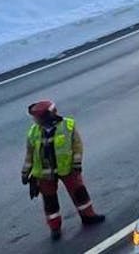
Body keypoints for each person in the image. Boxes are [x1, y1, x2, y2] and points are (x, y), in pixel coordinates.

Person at [21, 100, 105, 240]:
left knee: (80, 194)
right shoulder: (33, 132)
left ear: (47, 116)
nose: (35, 120)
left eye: (38, 117)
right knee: (50, 202)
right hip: (44, 174)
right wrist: (25, 172)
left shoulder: (68, 126)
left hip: (68, 169)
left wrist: (76, 165)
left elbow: (77, 146)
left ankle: (88, 217)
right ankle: (55, 227)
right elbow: (30, 154)